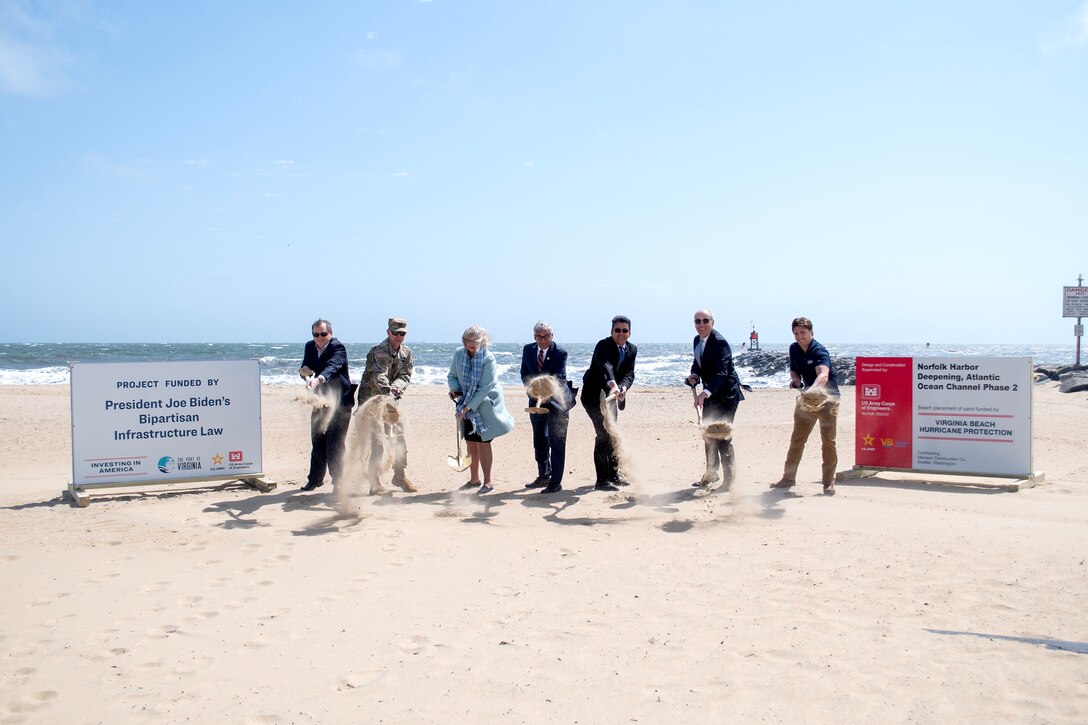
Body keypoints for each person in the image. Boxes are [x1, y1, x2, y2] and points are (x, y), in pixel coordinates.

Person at [771, 316, 841, 495]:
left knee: (828, 441)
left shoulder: (819, 351)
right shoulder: (794, 348)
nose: (799, 336)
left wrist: (814, 391)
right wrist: (795, 380)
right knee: (797, 439)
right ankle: (788, 478)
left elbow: (823, 375)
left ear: (811, 332)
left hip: (828, 399)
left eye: (803, 333)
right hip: (807, 400)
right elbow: (794, 369)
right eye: (796, 333)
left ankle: (828, 482)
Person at [447, 326, 515, 495]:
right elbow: (452, 376)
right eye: (468, 340)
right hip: (465, 402)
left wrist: (467, 408)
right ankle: (474, 479)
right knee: (470, 441)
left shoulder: (488, 358)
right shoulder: (458, 354)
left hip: (485, 404)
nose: (471, 343)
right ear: (463, 341)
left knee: (483, 442)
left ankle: (488, 482)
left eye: (475, 340)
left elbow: (484, 388)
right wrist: (455, 389)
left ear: (482, 341)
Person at [685, 309, 744, 489]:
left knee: (722, 437)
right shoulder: (697, 340)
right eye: (697, 321)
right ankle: (711, 474)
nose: (701, 325)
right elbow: (698, 363)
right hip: (711, 394)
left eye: (705, 321)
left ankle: (729, 481)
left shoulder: (720, 343)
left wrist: (704, 393)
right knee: (709, 436)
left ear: (712, 322)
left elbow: (721, 372)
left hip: (726, 395)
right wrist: (694, 375)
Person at [357, 317, 415, 494]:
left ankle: (399, 475)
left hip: (390, 402)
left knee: (398, 438)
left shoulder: (406, 353)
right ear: (388, 332)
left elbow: (405, 375)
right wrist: (389, 392)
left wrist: (396, 389)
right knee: (377, 443)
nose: (399, 336)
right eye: (395, 333)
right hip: (372, 403)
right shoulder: (379, 351)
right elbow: (380, 376)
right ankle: (374, 484)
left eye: (402, 333)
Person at [581, 315, 637, 491]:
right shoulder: (603, 346)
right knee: (603, 434)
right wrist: (613, 385)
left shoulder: (632, 349)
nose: (621, 333)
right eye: (617, 330)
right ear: (611, 331)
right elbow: (606, 367)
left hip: (611, 398)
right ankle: (602, 480)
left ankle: (614, 474)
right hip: (593, 397)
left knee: (613, 434)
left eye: (624, 330)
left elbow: (629, 373)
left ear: (630, 332)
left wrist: (624, 388)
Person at [299, 319, 354, 492]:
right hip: (320, 400)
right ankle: (315, 479)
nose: (320, 338)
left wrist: (317, 380)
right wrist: (305, 373)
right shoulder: (310, 346)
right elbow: (306, 367)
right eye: (316, 334)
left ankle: (339, 483)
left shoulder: (338, 348)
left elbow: (331, 367)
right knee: (317, 440)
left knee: (335, 443)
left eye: (323, 334)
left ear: (330, 333)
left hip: (340, 402)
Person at [520, 321, 571, 495]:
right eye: (539, 336)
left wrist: (548, 392)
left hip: (557, 401)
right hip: (535, 401)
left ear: (552, 336)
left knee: (557, 442)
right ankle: (543, 475)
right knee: (539, 439)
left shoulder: (560, 352)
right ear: (534, 337)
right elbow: (525, 374)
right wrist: (533, 392)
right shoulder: (528, 350)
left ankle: (555, 482)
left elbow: (559, 377)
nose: (543, 340)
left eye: (546, 336)